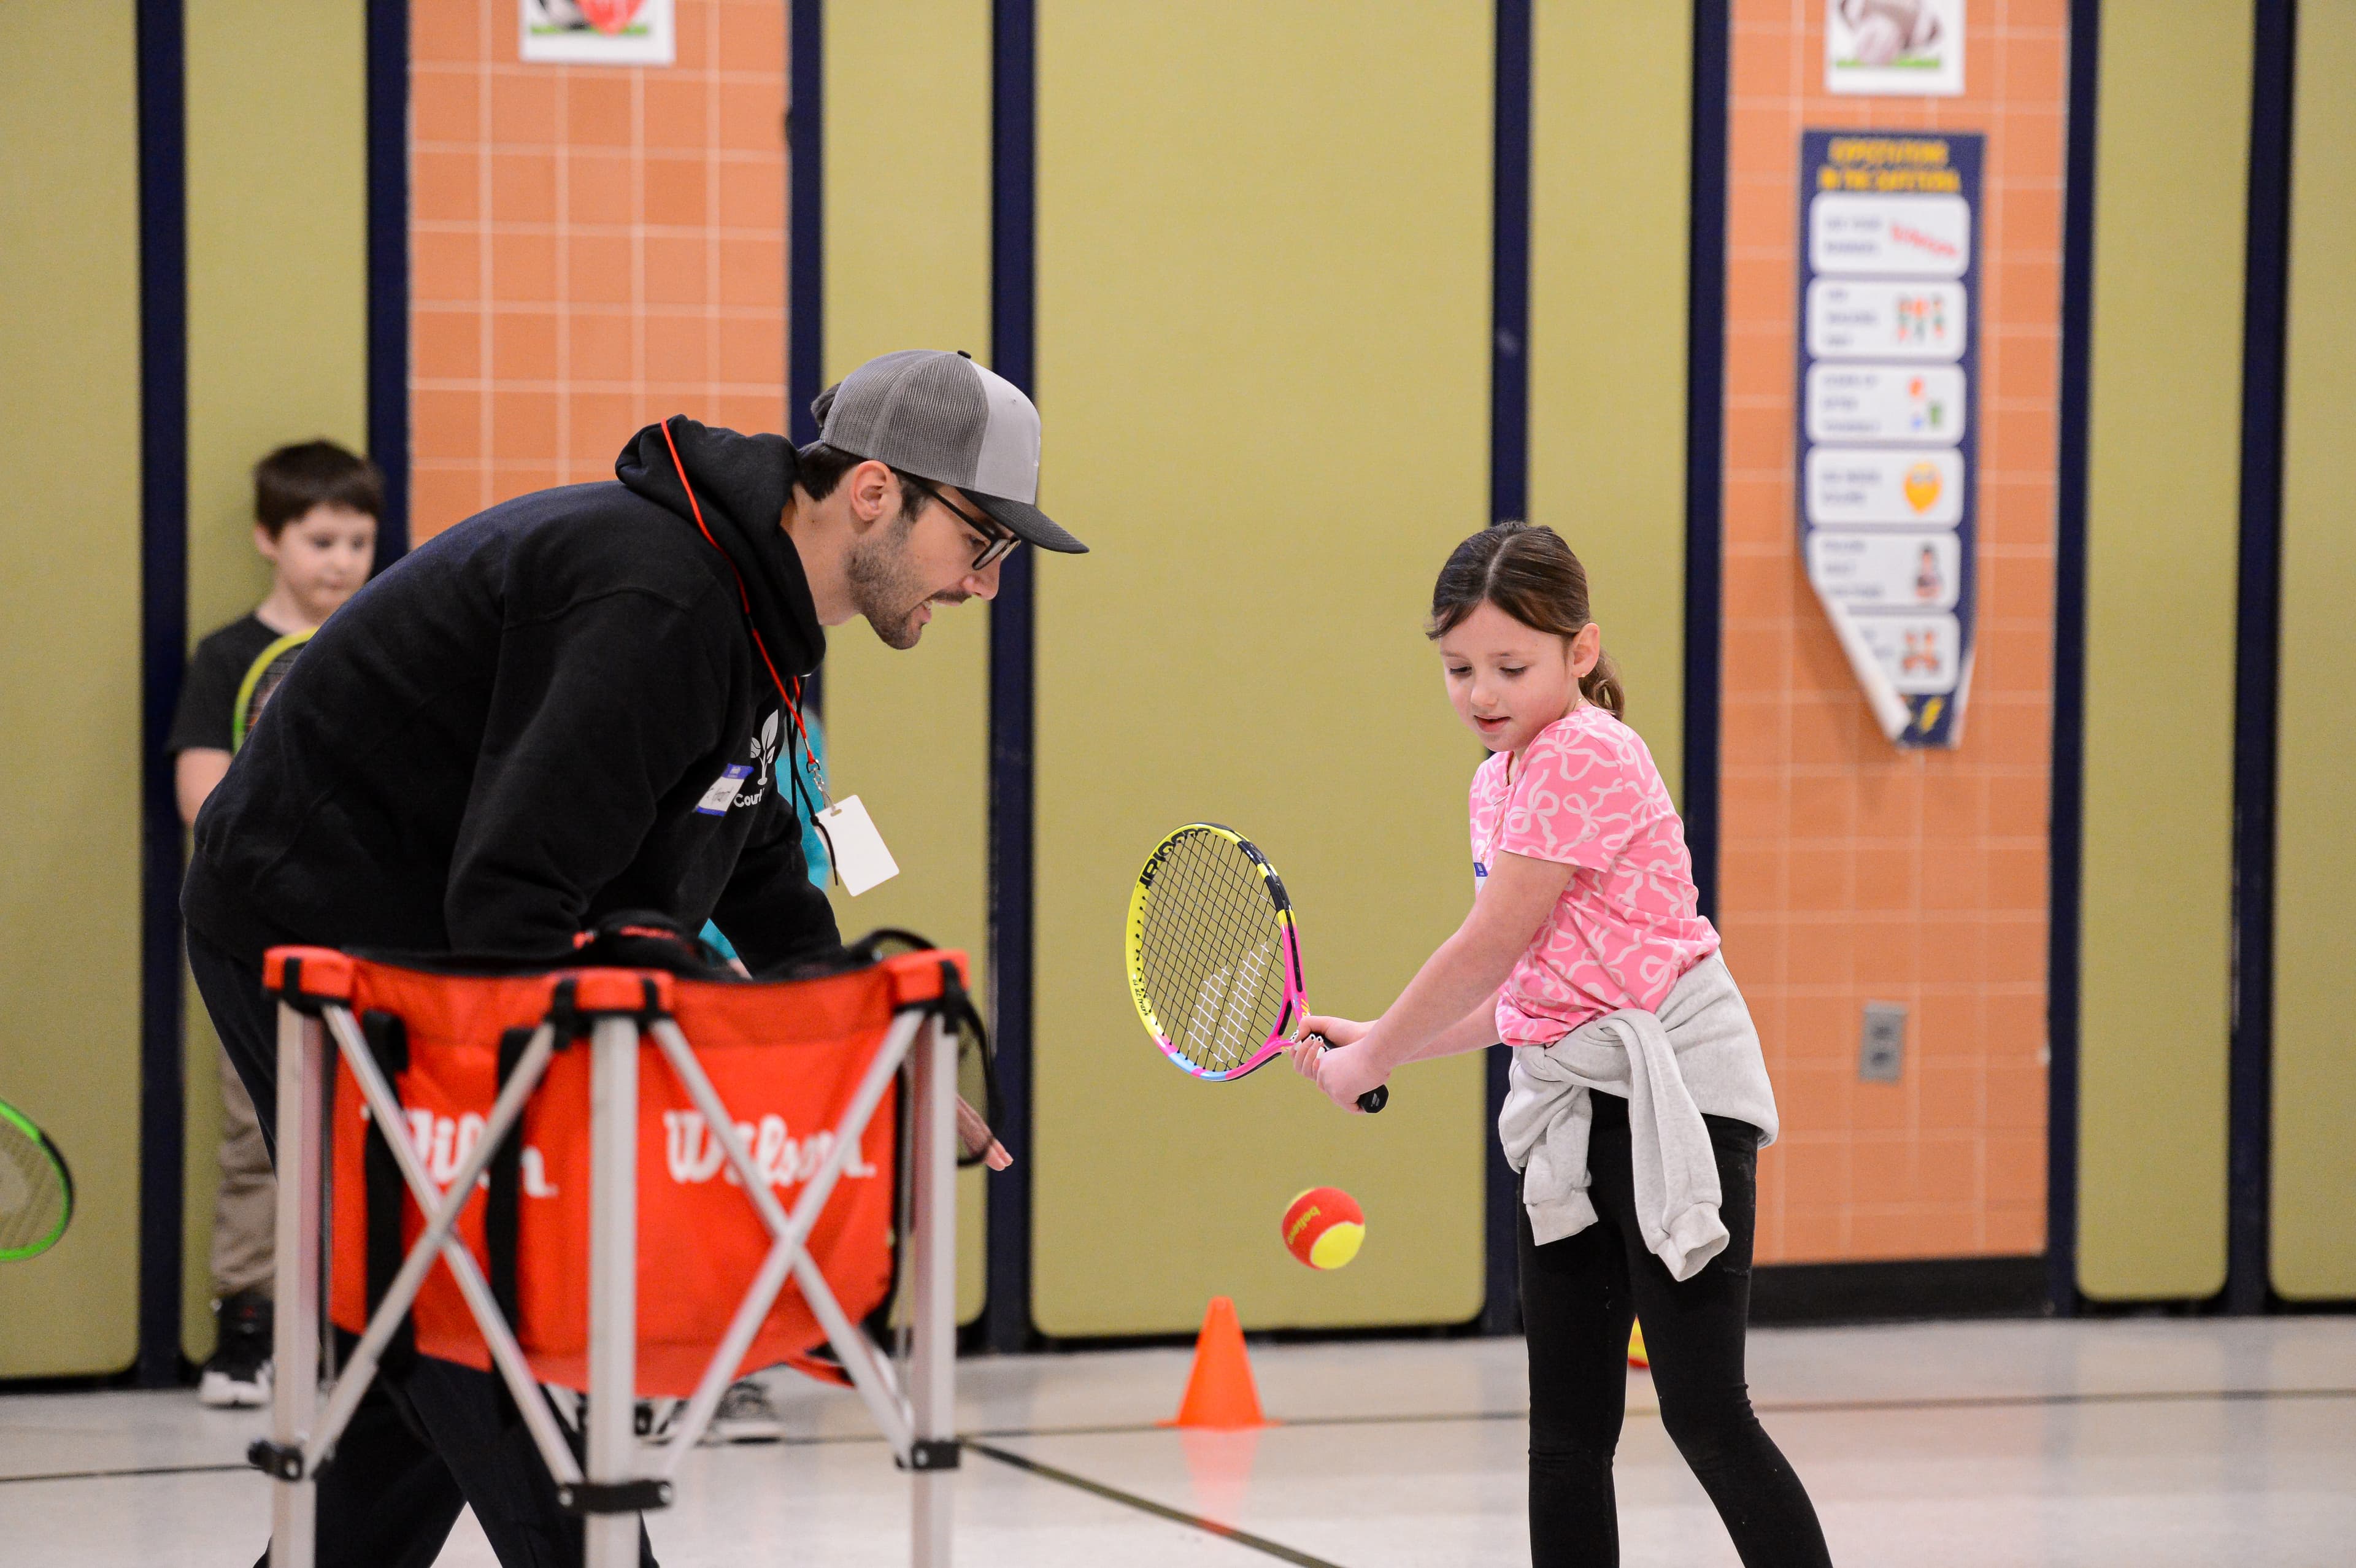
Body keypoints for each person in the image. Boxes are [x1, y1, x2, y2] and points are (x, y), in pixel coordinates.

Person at [185, 349, 1081, 1568]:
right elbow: (510, 903)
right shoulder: (661, 601)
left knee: (425, 1337)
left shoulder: (758, 620)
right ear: (876, 492)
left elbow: (762, 870)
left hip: (429, 932)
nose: (985, 583)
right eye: (982, 541)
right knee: (472, 1305)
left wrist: (889, 1065)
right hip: (313, 919)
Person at [1293, 522, 1832, 1567]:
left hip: (1676, 1089)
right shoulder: (1497, 778)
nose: (1480, 691)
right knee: (1567, 1434)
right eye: (1458, 668)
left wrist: (1370, 1058)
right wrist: (1388, 1044)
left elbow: (1491, 944)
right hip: (1575, 1102)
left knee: (1705, 1414)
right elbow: (1536, 992)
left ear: (1579, 653)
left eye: (1510, 665)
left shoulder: (1588, 750)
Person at [164, 439, 382, 1407]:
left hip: (374, 940)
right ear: (269, 538)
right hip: (258, 940)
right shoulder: (226, 658)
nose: (341, 561)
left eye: (359, 541)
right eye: (320, 538)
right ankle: (247, 1329)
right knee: (256, 1128)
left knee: (383, 1126)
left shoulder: (386, 642)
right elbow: (201, 795)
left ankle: (372, 1328)